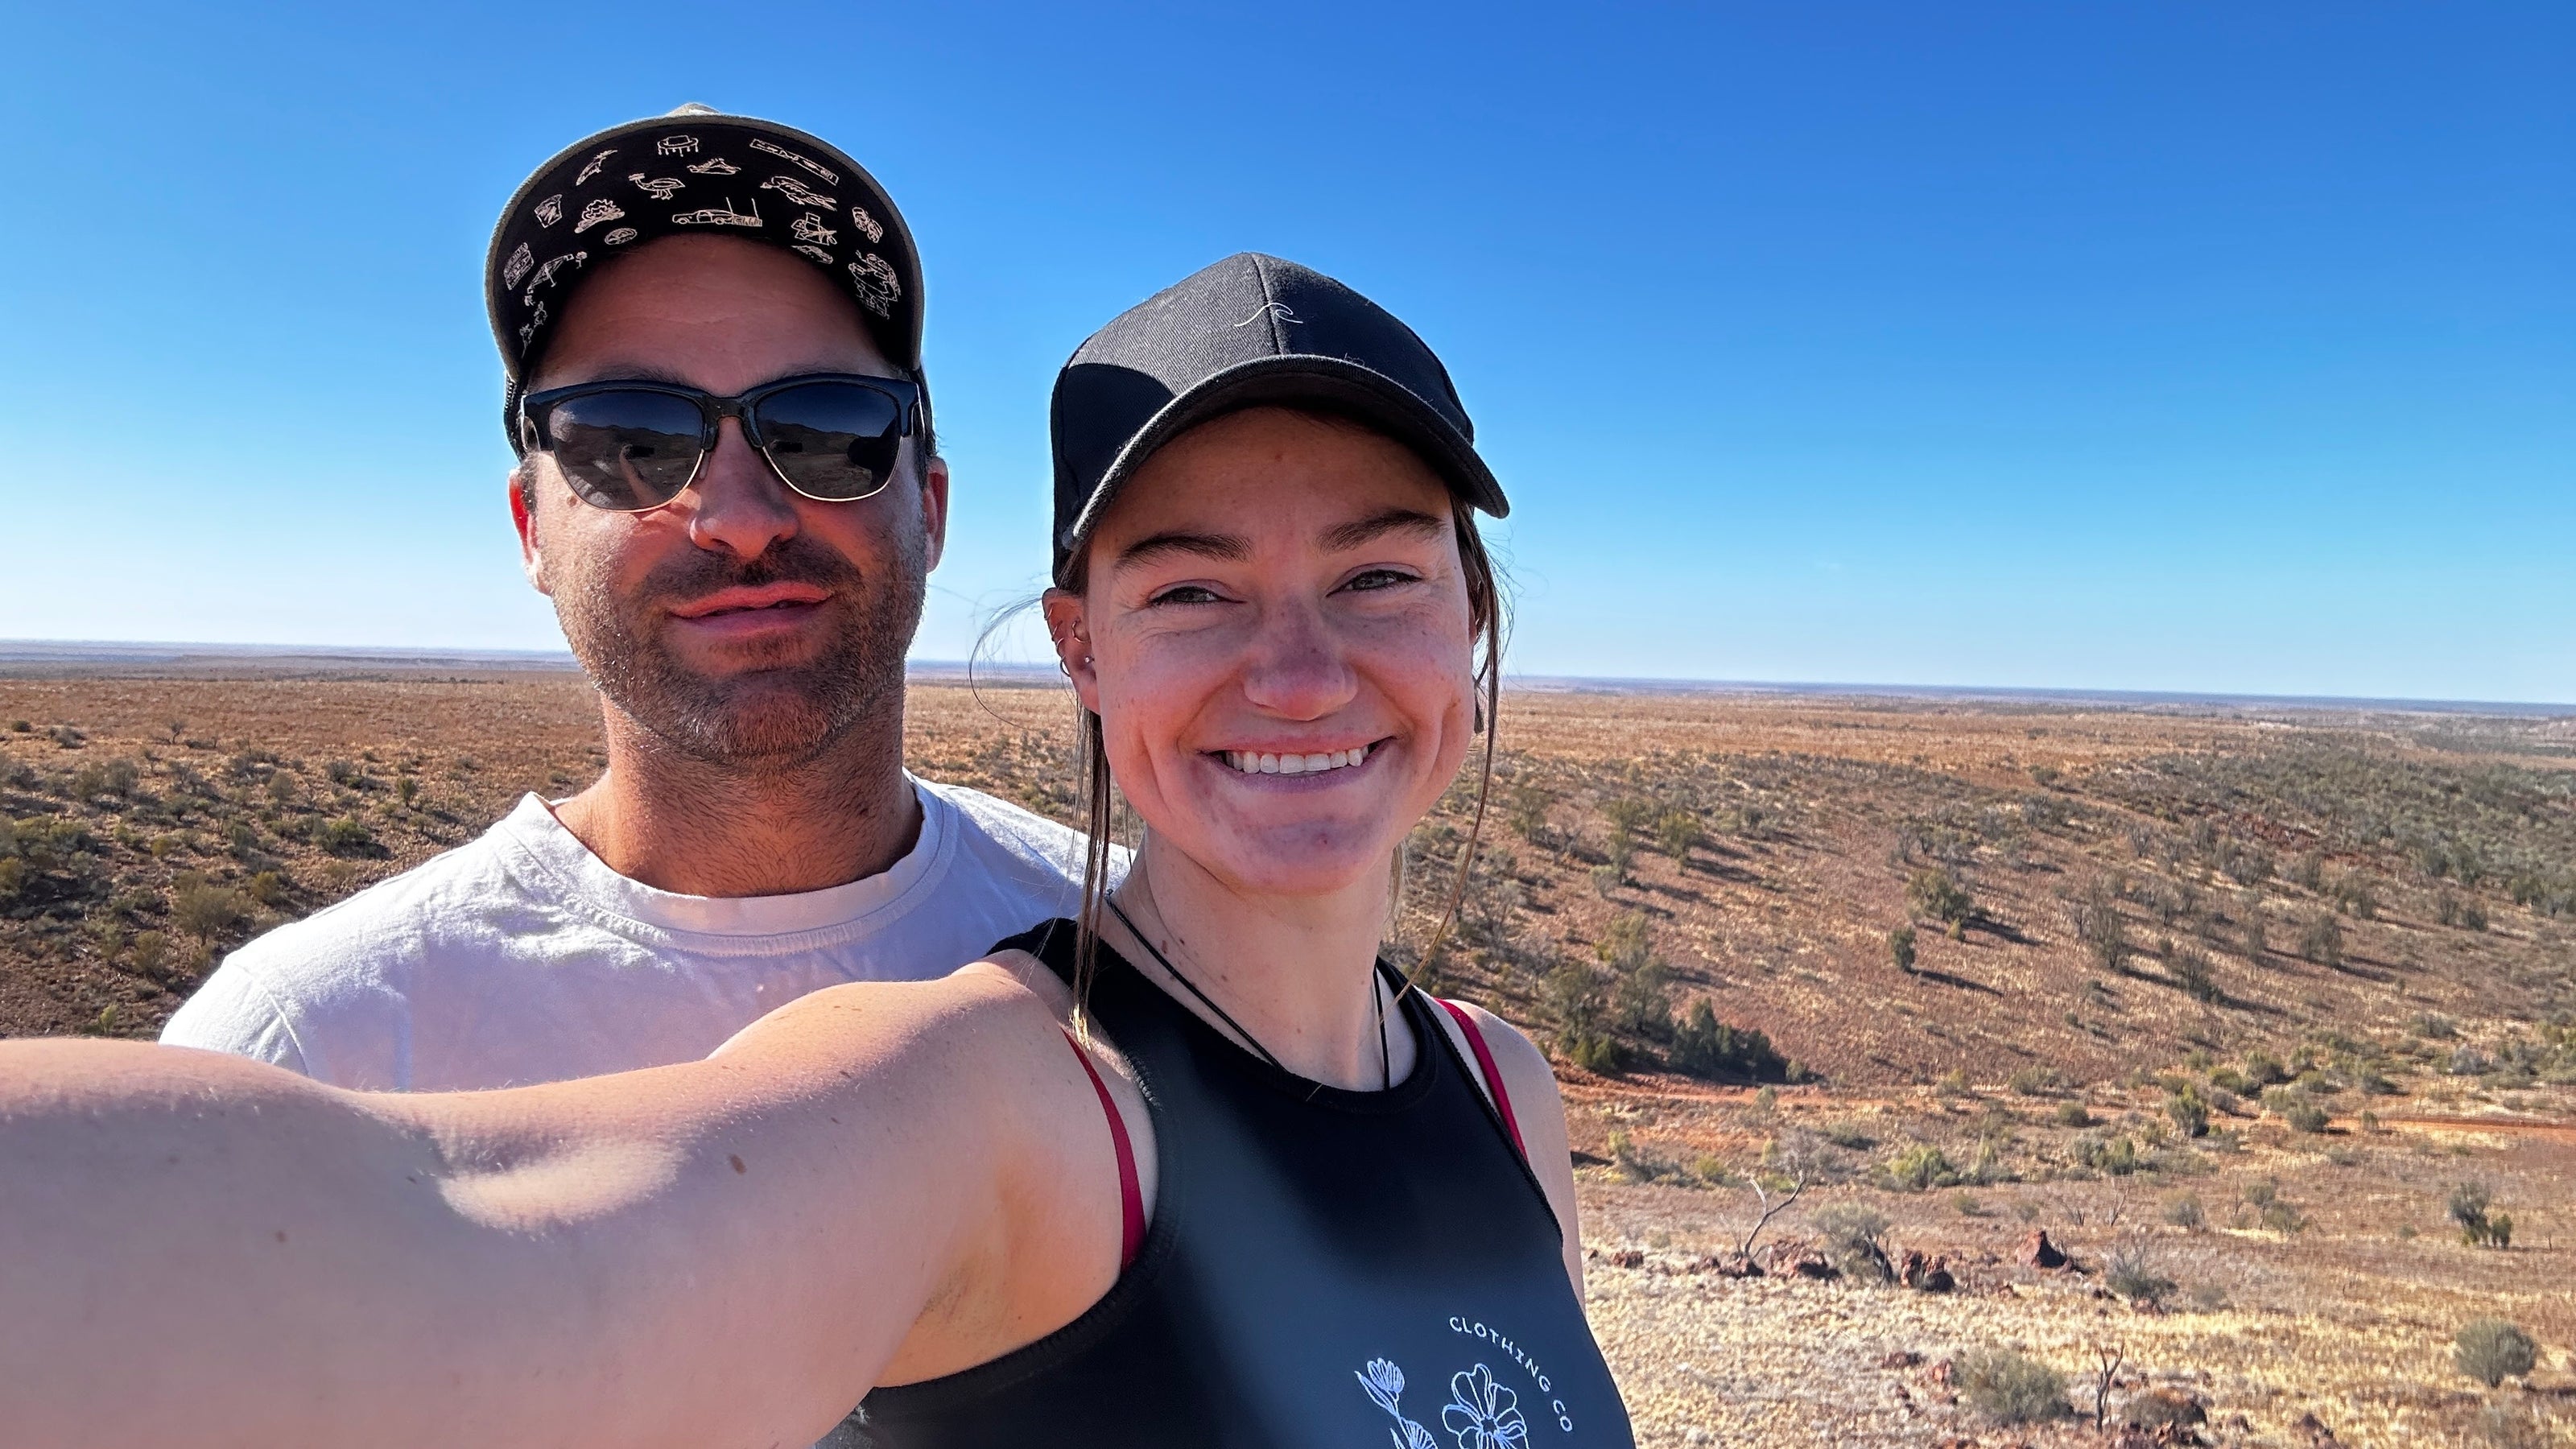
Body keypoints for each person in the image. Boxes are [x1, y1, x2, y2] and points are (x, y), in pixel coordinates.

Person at [0, 254, 1634, 1449]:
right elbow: (467, 1223)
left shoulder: (1503, 1091)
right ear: (1084, 651)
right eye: (1193, 589)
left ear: (1471, 628)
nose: (1295, 672)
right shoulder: (1000, 1090)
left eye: (1379, 578)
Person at [161, 106, 1108, 1091]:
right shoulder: (306, 1054)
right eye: (629, 442)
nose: (740, 518)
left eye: (826, 429)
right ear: (533, 529)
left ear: (930, 505)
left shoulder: (1122, 950)